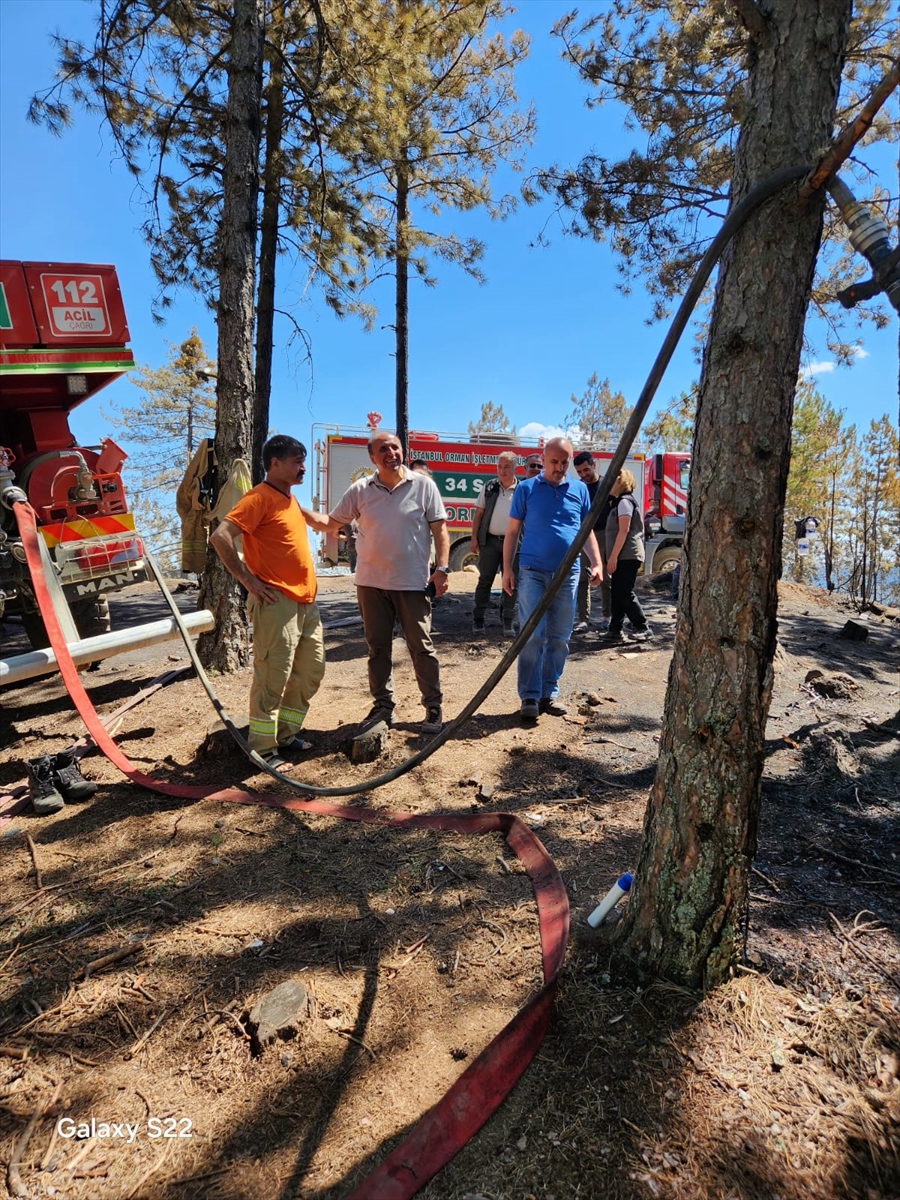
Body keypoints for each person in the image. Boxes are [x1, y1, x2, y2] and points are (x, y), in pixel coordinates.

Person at [301, 431, 449, 733]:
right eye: (383, 449)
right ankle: (383, 706)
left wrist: (443, 569)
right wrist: (292, 507)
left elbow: (440, 531)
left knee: (421, 647)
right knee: (377, 649)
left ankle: (433, 706)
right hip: (371, 584)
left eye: (395, 447)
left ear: (402, 452)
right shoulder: (360, 490)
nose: (391, 453)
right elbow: (330, 523)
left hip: (412, 583)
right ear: (372, 458)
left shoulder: (423, 486)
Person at [209, 434, 325, 769]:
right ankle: (262, 749)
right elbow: (221, 536)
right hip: (276, 602)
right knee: (272, 677)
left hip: (305, 602)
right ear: (274, 463)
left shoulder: (287, 499)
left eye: (303, 461)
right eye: (296, 462)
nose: (303, 468)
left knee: (310, 671)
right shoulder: (258, 498)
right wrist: (247, 580)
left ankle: (285, 735)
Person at [502, 437, 603, 724]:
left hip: (567, 574)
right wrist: (507, 570)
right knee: (533, 634)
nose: (559, 468)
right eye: (554, 462)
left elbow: (586, 531)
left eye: (564, 462)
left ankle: (549, 693)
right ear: (544, 460)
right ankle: (530, 696)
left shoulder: (580, 490)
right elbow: (511, 533)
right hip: (532, 571)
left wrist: (596, 562)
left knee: (559, 637)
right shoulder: (526, 489)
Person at [470, 450, 519, 635]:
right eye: (499, 466)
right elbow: (479, 514)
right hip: (489, 542)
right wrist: (474, 538)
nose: (502, 470)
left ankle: (507, 622)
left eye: (507, 467)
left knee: (511, 581)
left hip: (513, 544)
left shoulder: (522, 490)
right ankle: (478, 619)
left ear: (515, 468)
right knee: (485, 581)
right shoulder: (489, 487)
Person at [600, 468, 652, 644]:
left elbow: (624, 530)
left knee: (624, 593)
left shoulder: (624, 502)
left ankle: (643, 627)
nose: (608, 484)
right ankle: (615, 630)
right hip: (624, 555)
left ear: (621, 482)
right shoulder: (618, 502)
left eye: (612, 480)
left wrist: (613, 557)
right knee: (618, 593)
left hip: (627, 555)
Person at [572, 450, 613, 633]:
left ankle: (607, 617)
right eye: (579, 472)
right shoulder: (578, 487)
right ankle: (583, 619)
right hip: (583, 536)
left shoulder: (607, 485)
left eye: (586, 470)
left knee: (605, 578)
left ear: (594, 464)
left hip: (604, 534)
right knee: (582, 579)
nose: (583, 475)